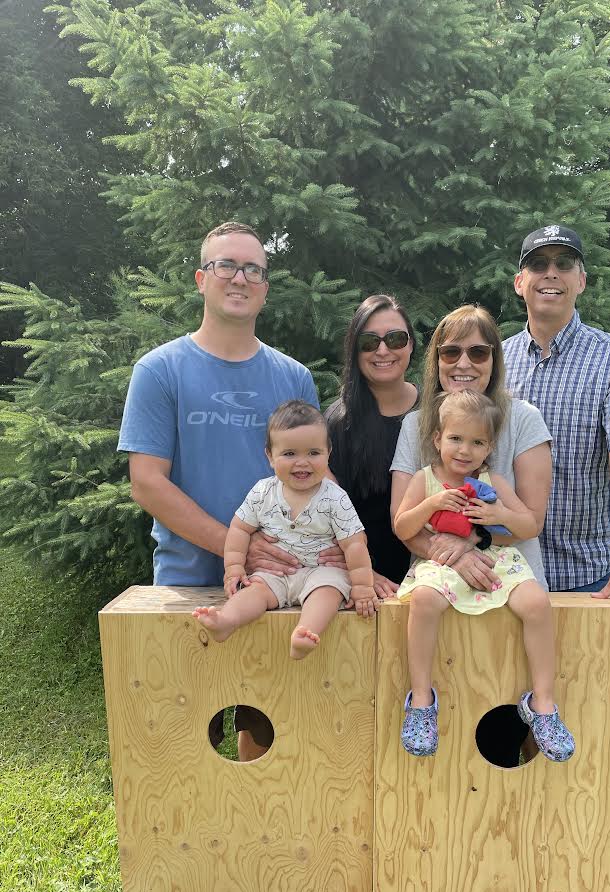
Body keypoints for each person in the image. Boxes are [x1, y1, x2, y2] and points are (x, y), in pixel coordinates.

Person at [118, 220, 319, 759]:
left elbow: (315, 482)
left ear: (265, 288)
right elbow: (147, 483)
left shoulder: (293, 377)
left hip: (276, 581)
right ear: (200, 279)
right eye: (226, 265)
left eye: (254, 269)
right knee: (187, 734)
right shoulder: (160, 370)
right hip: (187, 581)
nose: (240, 277)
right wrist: (240, 548)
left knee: (266, 721)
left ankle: (257, 835)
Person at [390, 304, 553, 766]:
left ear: (495, 359)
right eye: (451, 352)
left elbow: (529, 518)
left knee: (495, 726)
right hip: (439, 582)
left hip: (507, 580)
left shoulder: (523, 419)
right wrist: (454, 557)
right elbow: (403, 522)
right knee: (435, 753)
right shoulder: (417, 424)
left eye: (478, 352)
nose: (464, 363)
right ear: (436, 360)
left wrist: (474, 544)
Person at [504, 225, 610, 613]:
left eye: (565, 263)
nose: (551, 273)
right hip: (506, 567)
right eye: (538, 264)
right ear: (520, 282)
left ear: (582, 280)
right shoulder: (493, 362)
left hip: (586, 572)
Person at [192, 401, 377, 653]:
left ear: (328, 453)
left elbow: (354, 543)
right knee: (254, 591)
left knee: (329, 590)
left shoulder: (335, 497)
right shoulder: (262, 492)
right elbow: (239, 529)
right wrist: (234, 568)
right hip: (273, 575)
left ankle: (305, 633)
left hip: (319, 571)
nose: (302, 462)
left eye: (313, 453)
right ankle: (226, 621)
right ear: (270, 456)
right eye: (289, 454)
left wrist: (363, 587)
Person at [326, 294, 419, 593]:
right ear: (355, 350)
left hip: (435, 580)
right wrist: (362, 573)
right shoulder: (338, 423)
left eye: (395, 339)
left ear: (411, 345)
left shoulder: (438, 413)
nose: (383, 350)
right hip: (360, 587)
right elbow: (326, 516)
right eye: (369, 342)